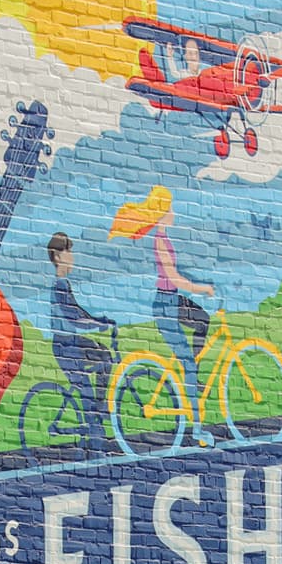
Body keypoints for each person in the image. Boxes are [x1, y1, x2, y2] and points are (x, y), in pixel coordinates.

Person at [108, 186, 217, 444]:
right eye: (169, 207)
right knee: (188, 364)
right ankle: (198, 430)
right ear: (162, 212)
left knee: (203, 321)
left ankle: (193, 375)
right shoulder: (160, 241)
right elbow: (174, 277)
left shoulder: (164, 238)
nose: (173, 212)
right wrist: (201, 288)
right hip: (166, 306)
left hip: (172, 301)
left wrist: (202, 284)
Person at [46, 232, 116, 449]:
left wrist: (100, 320)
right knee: (85, 389)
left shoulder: (64, 284)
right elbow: (73, 316)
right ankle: (94, 424)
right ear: (58, 257)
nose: (72, 256)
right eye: (68, 251)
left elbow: (79, 312)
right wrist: (97, 324)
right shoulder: (59, 286)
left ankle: (100, 409)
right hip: (65, 347)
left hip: (73, 343)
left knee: (105, 356)